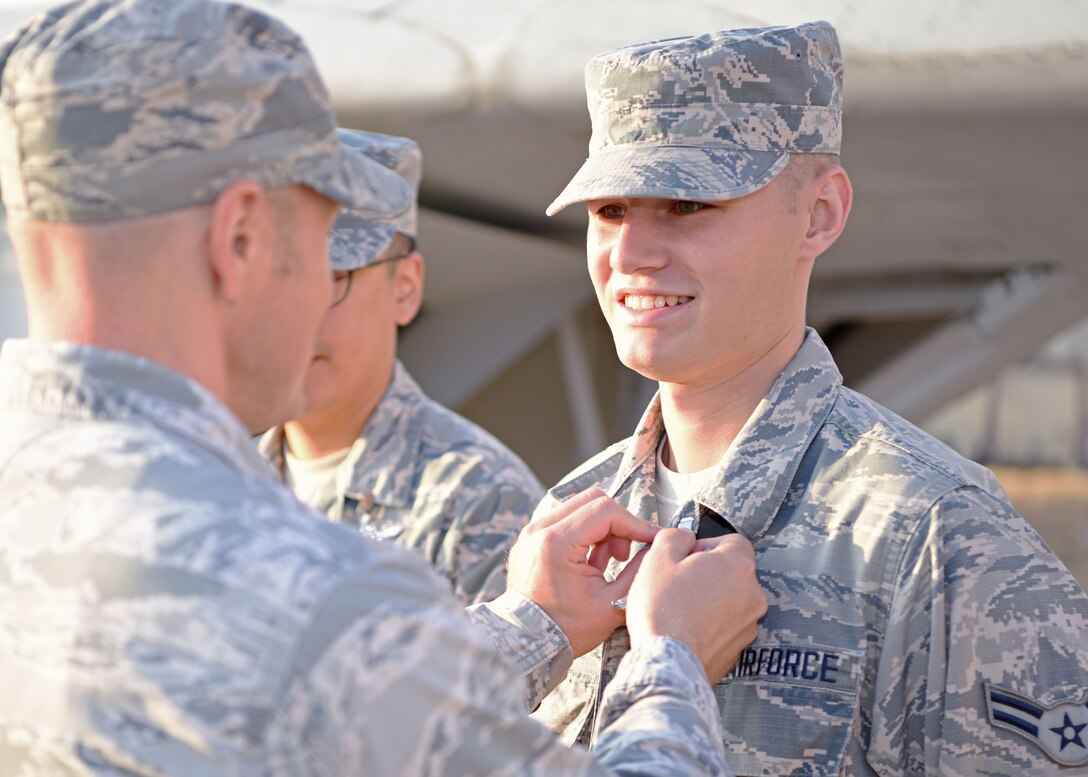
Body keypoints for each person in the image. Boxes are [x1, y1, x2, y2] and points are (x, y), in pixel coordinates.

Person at [0, 0, 770, 774]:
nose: (315, 304)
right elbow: (328, 668)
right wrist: (671, 659)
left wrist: (533, 623)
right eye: (318, 247)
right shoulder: (311, 596)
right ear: (239, 237)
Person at [533, 20, 1088, 775]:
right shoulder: (569, 526)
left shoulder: (938, 537)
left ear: (819, 213)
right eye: (610, 210)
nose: (632, 253)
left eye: (688, 205)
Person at [259, 130, 543, 605]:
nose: (295, 313)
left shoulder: (480, 500)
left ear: (405, 287)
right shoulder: (220, 471)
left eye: (333, 279)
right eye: (274, 277)